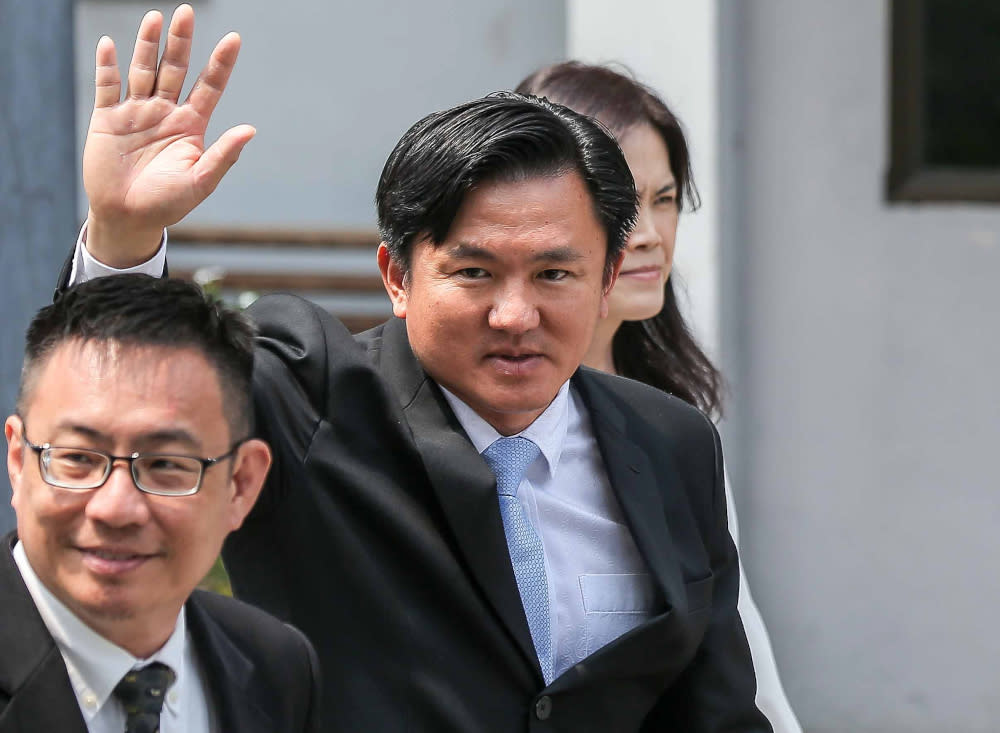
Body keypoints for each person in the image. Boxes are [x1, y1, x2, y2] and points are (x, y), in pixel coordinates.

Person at [61, 6, 772, 730]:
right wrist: (124, 238)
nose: (515, 314)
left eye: (555, 274)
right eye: (474, 272)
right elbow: (135, 402)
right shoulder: (310, 398)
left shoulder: (671, 443)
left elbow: (715, 711)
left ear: (607, 274)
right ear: (396, 277)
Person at [517, 62, 802, 732]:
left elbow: (738, 646)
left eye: (665, 198)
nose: (647, 232)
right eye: (620, 201)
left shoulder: (674, 422)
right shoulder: (494, 409)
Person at [1, 275, 321, 732]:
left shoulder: (277, 668)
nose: (115, 508)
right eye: (77, 459)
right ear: (18, 460)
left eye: (166, 464)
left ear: (241, 484)